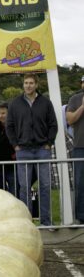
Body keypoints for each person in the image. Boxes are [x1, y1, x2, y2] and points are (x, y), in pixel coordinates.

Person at [6, 73, 58, 226]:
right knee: (24, 187)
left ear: (36, 85)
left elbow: (53, 125)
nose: (28, 85)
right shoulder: (15, 103)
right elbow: (10, 126)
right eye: (25, 83)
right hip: (23, 150)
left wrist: (49, 143)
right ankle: (26, 222)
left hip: (43, 149)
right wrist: (15, 145)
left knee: (45, 185)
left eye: (31, 83)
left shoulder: (46, 103)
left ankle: (46, 222)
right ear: (23, 85)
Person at [66, 75, 84, 224]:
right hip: (80, 146)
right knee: (80, 182)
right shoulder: (75, 99)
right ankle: (81, 216)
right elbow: (70, 120)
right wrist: (83, 106)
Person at [0, 103, 17, 196]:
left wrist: (14, 156)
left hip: (11, 166)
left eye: (3, 113)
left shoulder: (15, 127)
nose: (0, 116)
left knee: (14, 193)